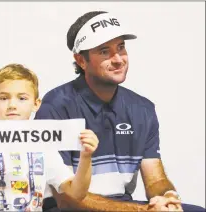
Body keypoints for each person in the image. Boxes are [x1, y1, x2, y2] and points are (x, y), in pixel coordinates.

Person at [35, 11, 205, 211]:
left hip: (124, 205)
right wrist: (142, 210)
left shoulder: (142, 109)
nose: (118, 59)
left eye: (121, 48)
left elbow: (155, 180)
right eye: (104, 51)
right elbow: (66, 200)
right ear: (81, 60)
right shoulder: (55, 106)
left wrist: (168, 198)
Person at [0, 64, 99, 211]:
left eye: (22, 98)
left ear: (36, 104)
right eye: (3, 98)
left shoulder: (44, 146)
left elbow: (76, 193)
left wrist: (86, 157)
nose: (12, 105)